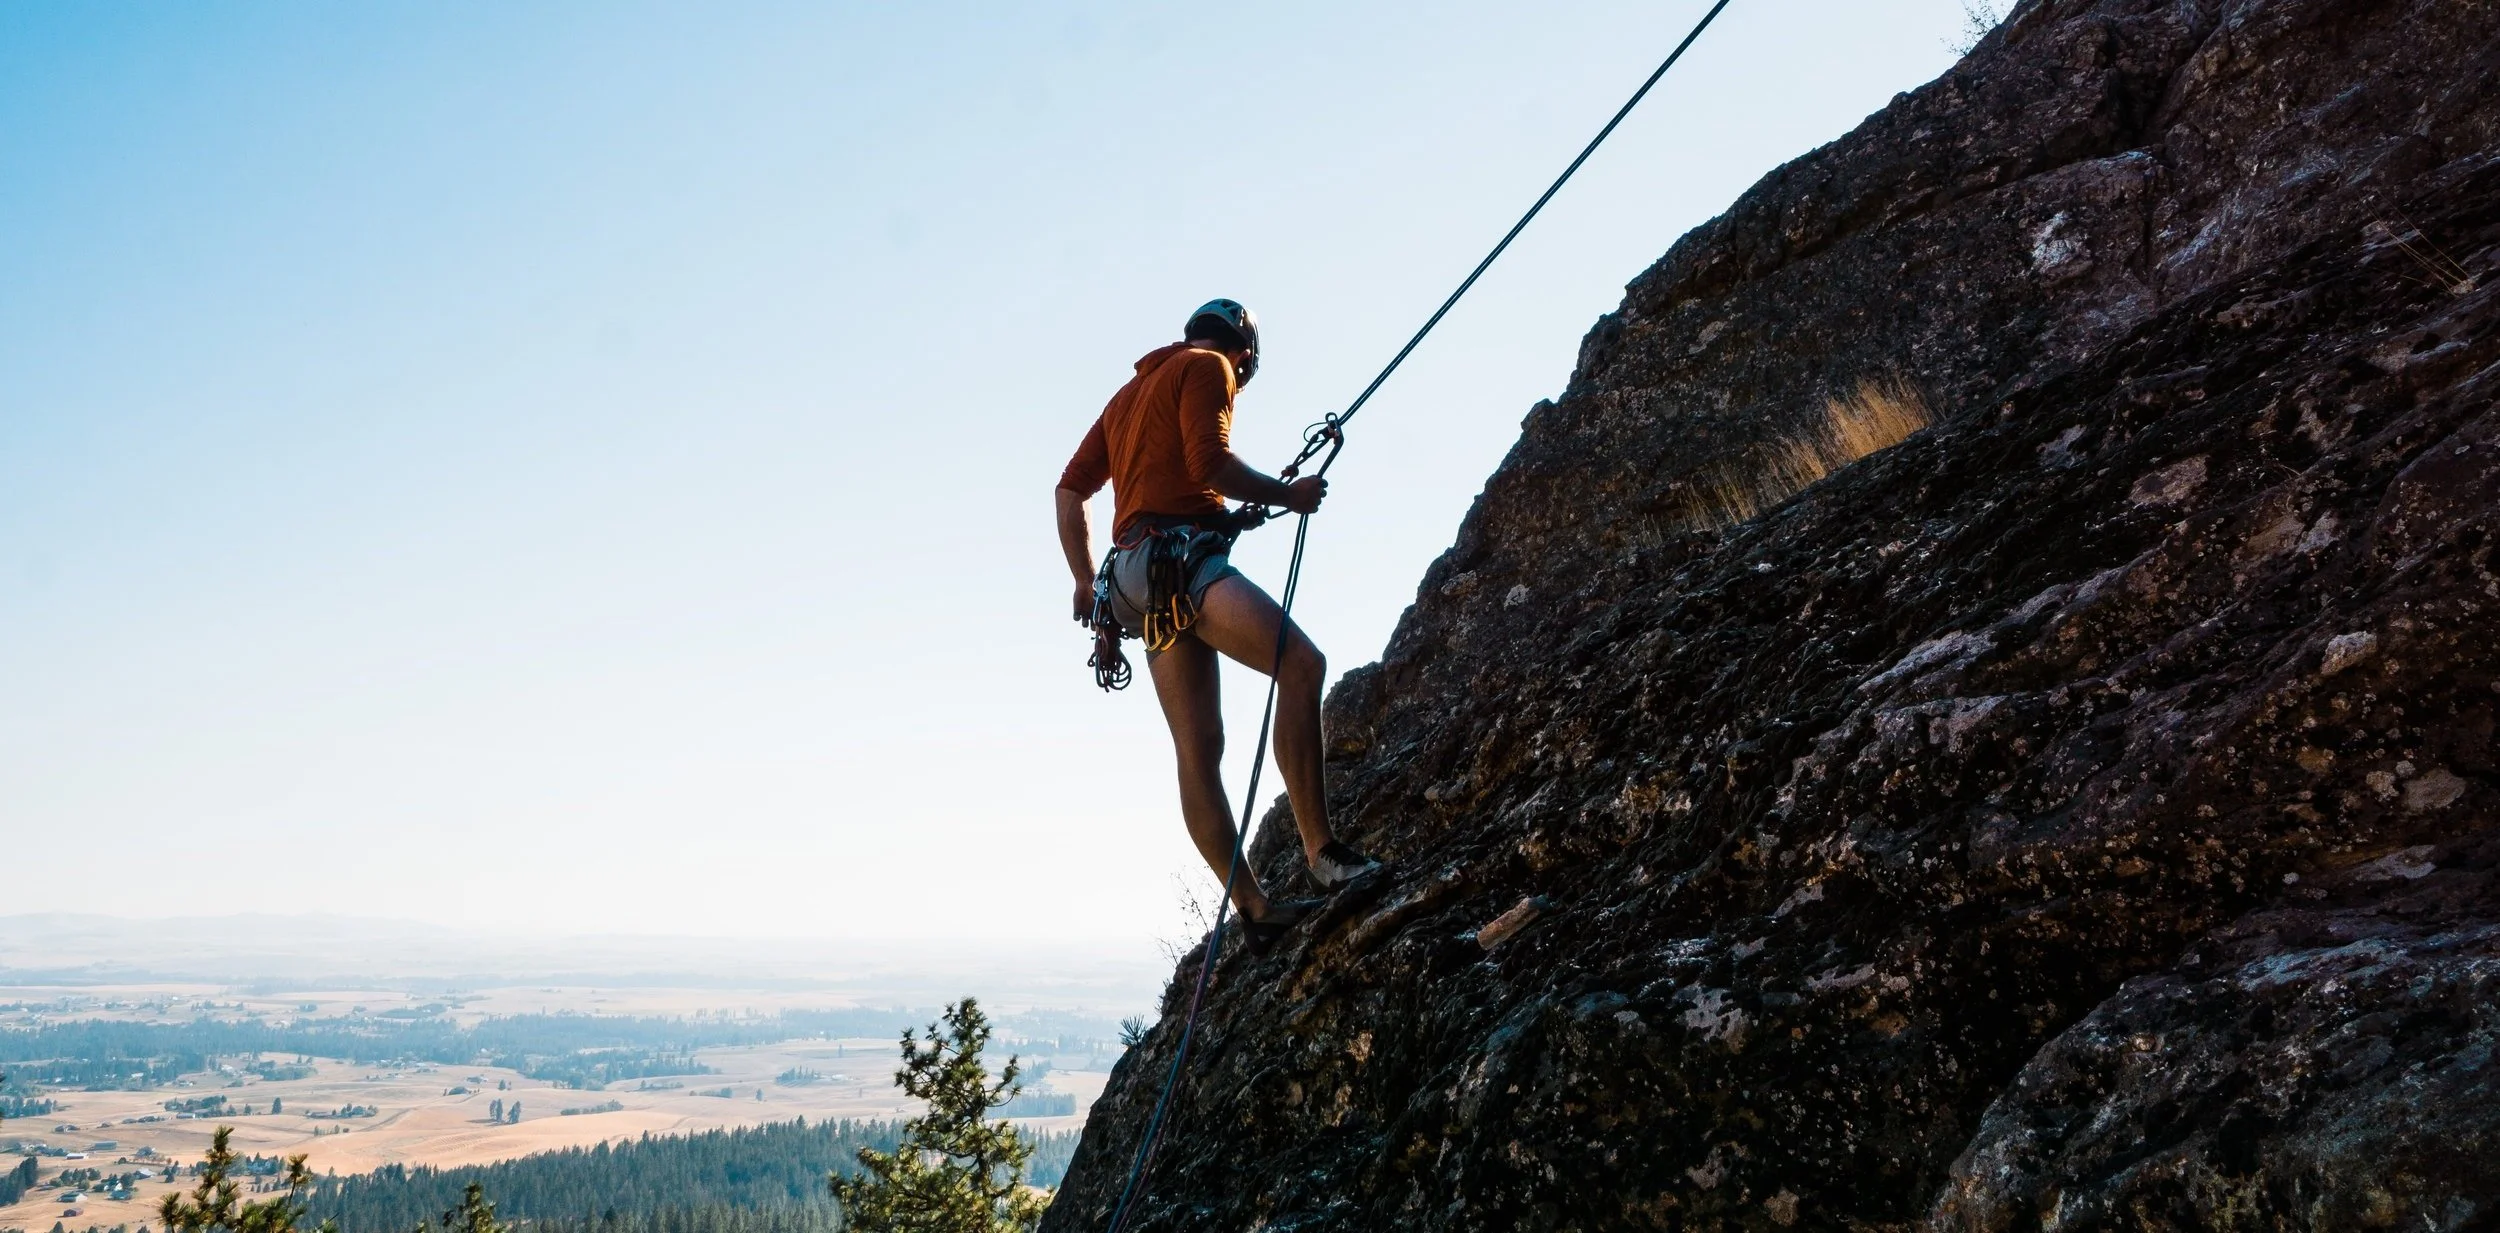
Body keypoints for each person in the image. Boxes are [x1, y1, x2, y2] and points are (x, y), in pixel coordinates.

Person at [1055, 299, 1383, 949]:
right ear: (1245, 355)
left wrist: (1083, 579)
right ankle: (1323, 855)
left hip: (1132, 582)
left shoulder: (1129, 393)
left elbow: (1069, 489)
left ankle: (1253, 905)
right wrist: (1289, 495)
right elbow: (1209, 464)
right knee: (1302, 663)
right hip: (1182, 562)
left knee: (1198, 750)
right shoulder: (1210, 367)